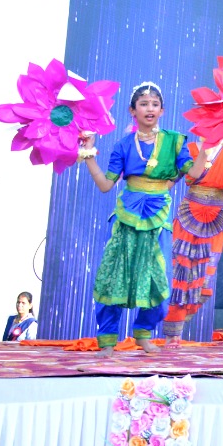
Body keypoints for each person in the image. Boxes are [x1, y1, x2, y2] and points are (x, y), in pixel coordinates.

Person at [79, 82, 195, 354]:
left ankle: (143, 333)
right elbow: (106, 185)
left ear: (162, 110)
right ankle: (107, 339)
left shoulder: (175, 141)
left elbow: (193, 173)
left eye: (155, 104)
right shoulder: (123, 145)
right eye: (143, 104)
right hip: (126, 215)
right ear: (133, 110)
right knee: (114, 276)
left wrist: (212, 148)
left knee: (159, 278)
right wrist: (88, 153)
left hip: (159, 216)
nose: (149, 108)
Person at [164, 136, 223, 344]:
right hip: (188, 215)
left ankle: (177, 328)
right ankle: (173, 336)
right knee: (180, 275)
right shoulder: (189, 149)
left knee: (204, 281)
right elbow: (167, 183)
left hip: (217, 218)